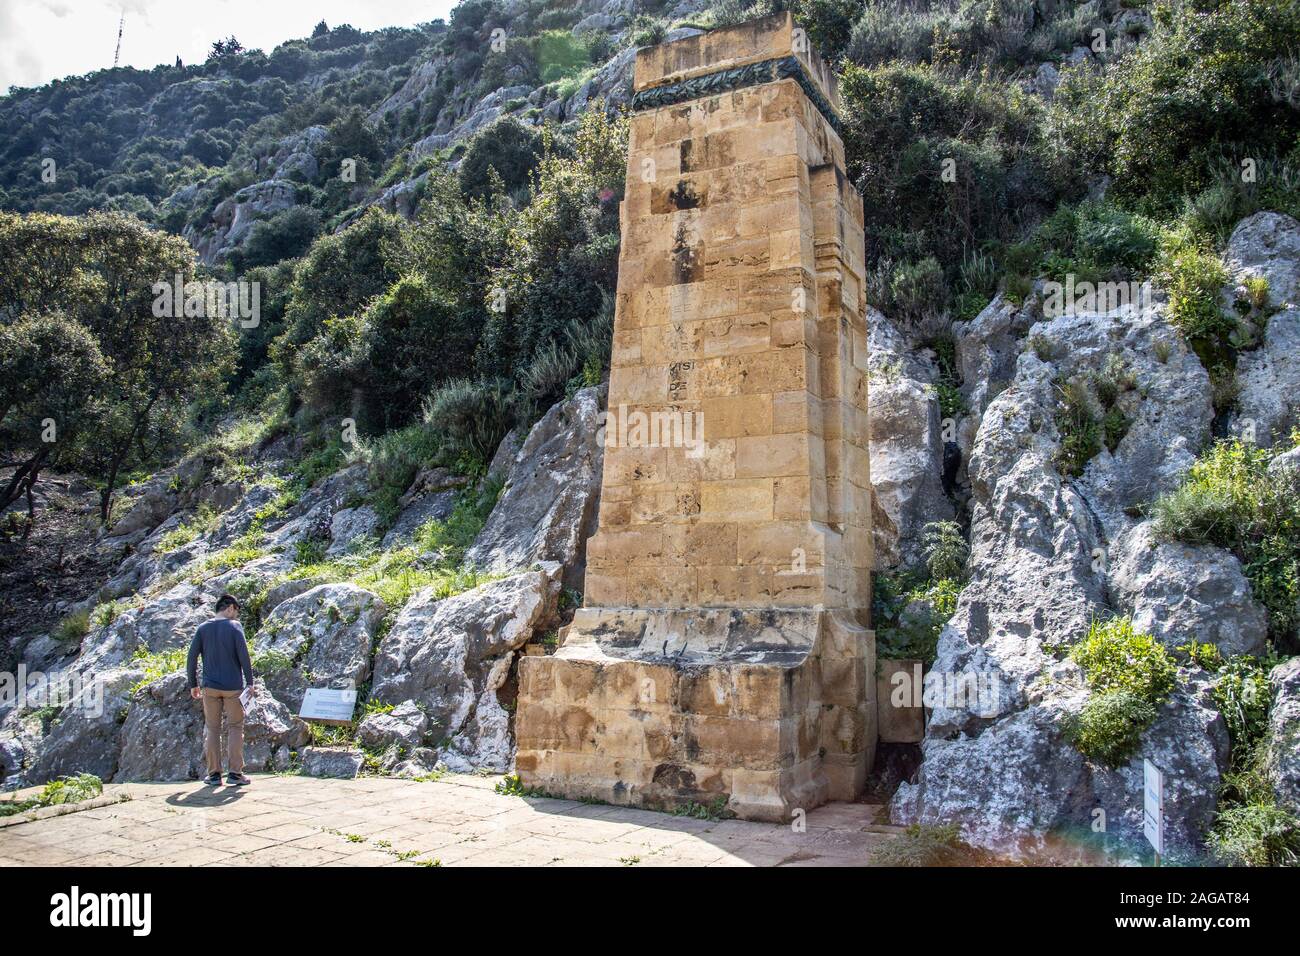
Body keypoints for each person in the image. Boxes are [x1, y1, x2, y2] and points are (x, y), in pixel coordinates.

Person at [186, 593, 256, 786]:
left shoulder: (203, 629)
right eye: (236, 611)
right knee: (235, 727)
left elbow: (191, 658)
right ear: (230, 608)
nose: (236, 616)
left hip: (210, 688)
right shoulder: (234, 627)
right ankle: (235, 774)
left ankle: (214, 774)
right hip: (233, 687)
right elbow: (244, 656)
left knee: (213, 729)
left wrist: (193, 684)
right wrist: (250, 682)